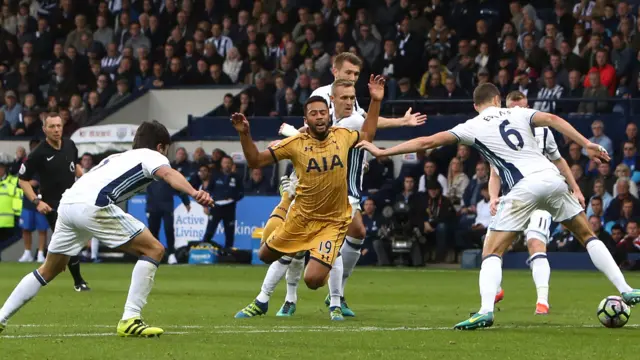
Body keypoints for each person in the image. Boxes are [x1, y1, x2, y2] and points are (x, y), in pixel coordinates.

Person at [357, 83, 640, 330]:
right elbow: (553, 118)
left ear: (476, 105)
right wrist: (587, 143)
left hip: (523, 188)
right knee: (587, 235)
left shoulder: (472, 125)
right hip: (552, 180)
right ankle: (625, 289)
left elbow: (427, 141)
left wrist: (384, 151)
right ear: (497, 100)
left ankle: (485, 310)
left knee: (491, 250)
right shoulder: (519, 112)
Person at [236, 52, 426, 319]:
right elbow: (260, 158)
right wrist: (252, 135)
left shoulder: (347, 125)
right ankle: (275, 296)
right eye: (348, 76)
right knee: (272, 253)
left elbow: (367, 129)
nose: (351, 85)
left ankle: (333, 298)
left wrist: (385, 111)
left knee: (326, 261)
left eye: (355, 78)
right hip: (308, 194)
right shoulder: (321, 103)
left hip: (339, 200)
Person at [0, 121, 213, 336]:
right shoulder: (154, 156)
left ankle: (1, 318)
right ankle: (130, 318)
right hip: (93, 205)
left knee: (48, 269)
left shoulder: (117, 157)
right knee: (154, 249)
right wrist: (195, 193)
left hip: (68, 203)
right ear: (160, 147)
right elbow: (168, 174)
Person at [489, 91, 586, 315]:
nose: (518, 113)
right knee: (493, 248)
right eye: (513, 109)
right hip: (512, 198)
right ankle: (495, 289)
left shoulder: (543, 131)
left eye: (522, 109)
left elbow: (559, 161)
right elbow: (494, 174)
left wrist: (576, 188)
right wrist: (493, 197)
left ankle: (542, 301)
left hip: (541, 196)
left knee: (535, 243)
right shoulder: (496, 132)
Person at [16, 113, 89, 292]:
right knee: (68, 239)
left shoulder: (70, 145)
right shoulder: (38, 153)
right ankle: (78, 281)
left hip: (73, 200)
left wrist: (85, 178)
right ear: (44, 129)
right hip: (52, 205)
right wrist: (37, 201)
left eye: (59, 126)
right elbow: (22, 180)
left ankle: (58, 263)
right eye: (52, 127)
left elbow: (74, 166)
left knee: (71, 241)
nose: (56, 130)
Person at [202, 155, 244, 250]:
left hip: (230, 207)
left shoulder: (237, 177)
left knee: (229, 231)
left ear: (232, 164)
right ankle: (203, 248)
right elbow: (208, 191)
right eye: (225, 163)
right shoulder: (215, 176)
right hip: (216, 206)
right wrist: (205, 205)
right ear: (221, 164)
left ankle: (228, 252)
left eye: (229, 163)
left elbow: (241, 193)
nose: (227, 165)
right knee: (210, 229)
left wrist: (233, 198)